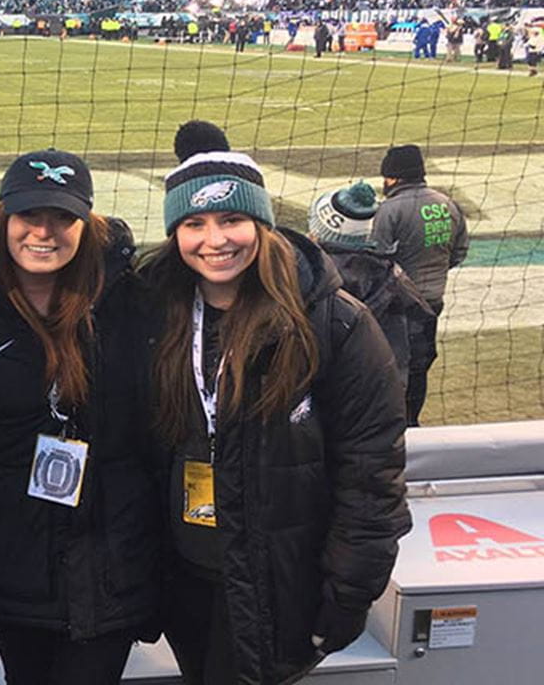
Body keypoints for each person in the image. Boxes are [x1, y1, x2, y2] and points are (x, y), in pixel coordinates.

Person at [144, 121, 410, 685]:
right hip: (186, 576)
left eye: (232, 219)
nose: (215, 240)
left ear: (262, 223)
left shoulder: (335, 323)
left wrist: (349, 592)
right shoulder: (156, 312)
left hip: (280, 579)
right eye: (194, 223)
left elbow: (371, 472)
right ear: (175, 233)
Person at [0, 150, 160, 684]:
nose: (44, 232)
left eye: (62, 218)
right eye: (29, 216)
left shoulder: (130, 299)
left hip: (112, 552)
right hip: (13, 553)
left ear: (85, 222)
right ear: (5, 218)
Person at [372, 145, 468, 426]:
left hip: (399, 306)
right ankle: (413, 420)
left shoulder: (390, 210)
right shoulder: (447, 204)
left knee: (391, 366)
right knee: (420, 365)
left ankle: (396, 423)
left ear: (392, 178)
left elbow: (378, 258)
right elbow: (460, 252)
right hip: (433, 301)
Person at [308, 181, 434, 392]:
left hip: (320, 403)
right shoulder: (396, 278)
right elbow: (422, 341)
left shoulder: (305, 278)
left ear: (318, 233)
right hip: (383, 397)